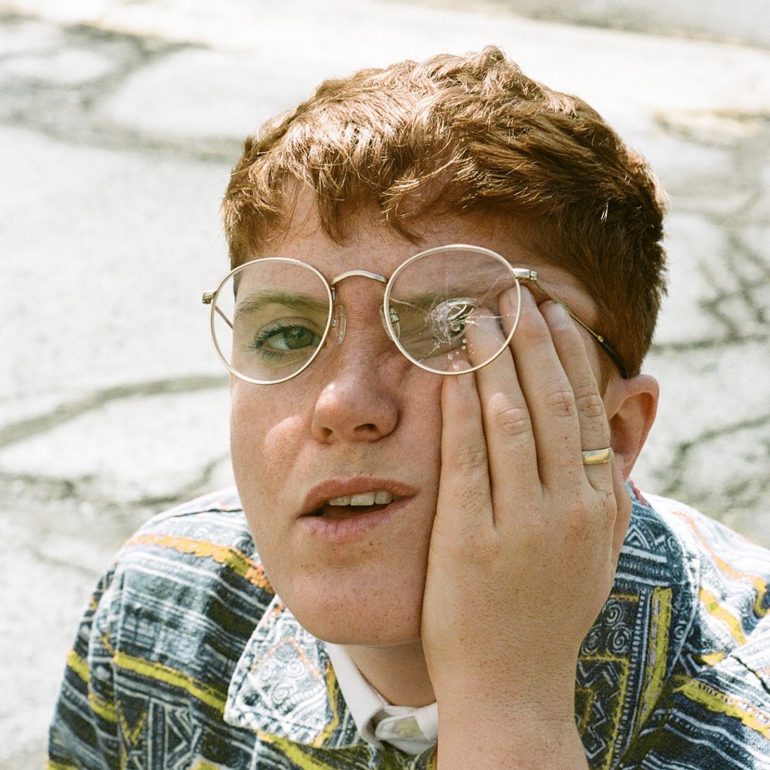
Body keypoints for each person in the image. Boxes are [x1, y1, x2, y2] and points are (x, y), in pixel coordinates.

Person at [48, 47, 770, 770]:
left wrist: (508, 705)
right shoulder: (158, 611)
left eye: (455, 329)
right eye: (288, 334)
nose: (343, 403)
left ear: (614, 432)